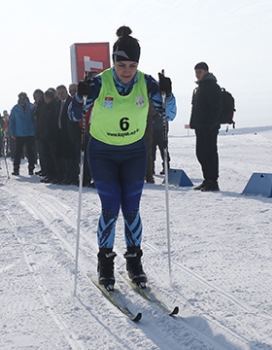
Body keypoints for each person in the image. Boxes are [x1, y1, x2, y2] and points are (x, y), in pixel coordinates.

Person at [69, 26, 176, 290]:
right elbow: (74, 115)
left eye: (132, 65)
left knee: (131, 209)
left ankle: (134, 262)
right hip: (102, 151)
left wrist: (168, 94)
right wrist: (79, 97)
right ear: (113, 62)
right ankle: (105, 262)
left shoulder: (147, 82)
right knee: (110, 207)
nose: (126, 71)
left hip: (134, 152)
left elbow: (169, 114)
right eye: (121, 64)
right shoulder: (99, 82)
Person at [190, 61, 222, 192]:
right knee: (201, 153)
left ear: (206, 72)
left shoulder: (212, 86)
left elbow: (217, 107)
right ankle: (207, 179)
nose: (198, 74)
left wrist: (210, 124)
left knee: (210, 153)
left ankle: (213, 181)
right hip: (200, 126)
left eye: (200, 72)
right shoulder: (200, 87)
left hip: (209, 127)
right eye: (196, 72)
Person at [9, 92, 37, 176]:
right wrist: (12, 132)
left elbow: (35, 120)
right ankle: (16, 168)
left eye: (23, 99)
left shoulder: (32, 107)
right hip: (19, 133)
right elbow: (12, 121)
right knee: (18, 152)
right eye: (20, 99)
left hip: (30, 132)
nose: (22, 101)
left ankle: (31, 168)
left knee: (30, 151)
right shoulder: (15, 108)